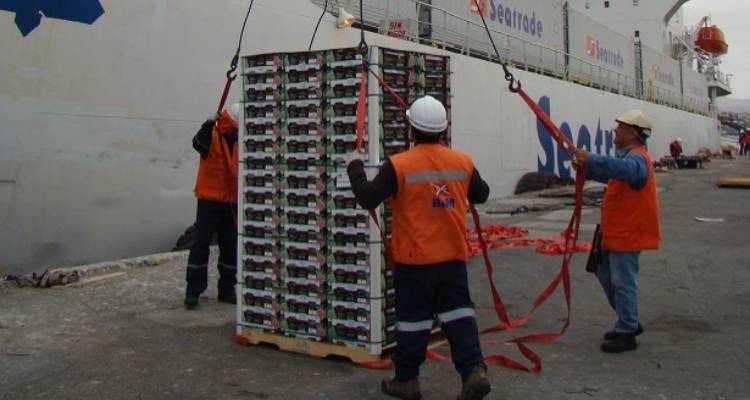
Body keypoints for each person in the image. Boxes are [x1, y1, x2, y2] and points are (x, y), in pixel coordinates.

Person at [346, 95, 492, 400]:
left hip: (415, 260)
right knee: (459, 315)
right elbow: (481, 194)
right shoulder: (462, 162)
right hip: (452, 256)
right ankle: (474, 371)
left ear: (411, 129)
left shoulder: (398, 165)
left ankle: (406, 380)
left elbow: (367, 198)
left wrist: (355, 167)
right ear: (443, 129)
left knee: (413, 321)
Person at [572, 110, 660, 353]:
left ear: (632, 133)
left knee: (622, 281)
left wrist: (591, 158)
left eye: (620, 128)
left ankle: (627, 329)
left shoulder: (637, 159)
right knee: (605, 275)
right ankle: (627, 319)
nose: (615, 131)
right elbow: (613, 174)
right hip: (615, 232)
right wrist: (586, 167)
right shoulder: (629, 159)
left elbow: (624, 170)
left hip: (627, 233)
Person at [184, 103, 242, 310]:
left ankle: (227, 289)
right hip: (209, 199)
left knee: (230, 245)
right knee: (201, 244)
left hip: (231, 201)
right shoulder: (212, 136)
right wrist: (208, 124)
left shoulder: (240, 142)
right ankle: (193, 291)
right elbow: (198, 144)